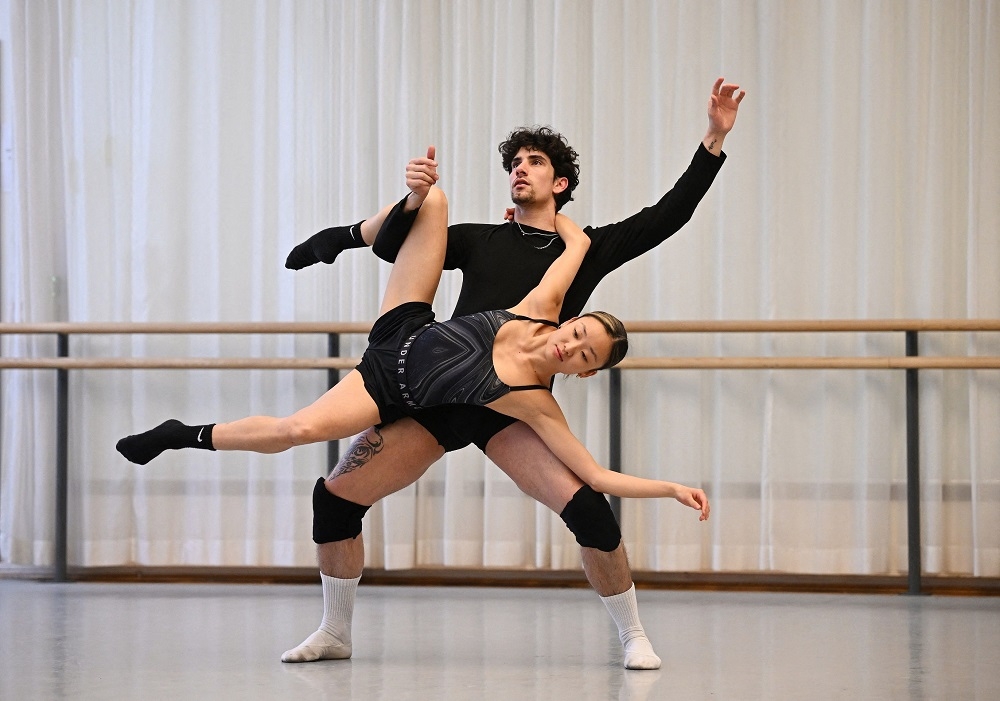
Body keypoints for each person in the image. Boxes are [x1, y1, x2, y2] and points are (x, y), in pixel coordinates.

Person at [268, 78, 744, 670]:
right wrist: (384, 214)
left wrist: (713, 138)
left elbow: (668, 216)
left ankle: (634, 635)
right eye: (515, 163)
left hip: (513, 408)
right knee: (335, 499)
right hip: (440, 395)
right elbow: (399, 248)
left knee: (590, 509)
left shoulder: (587, 248)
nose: (521, 170)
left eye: (535, 162)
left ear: (560, 183)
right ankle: (335, 631)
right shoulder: (483, 237)